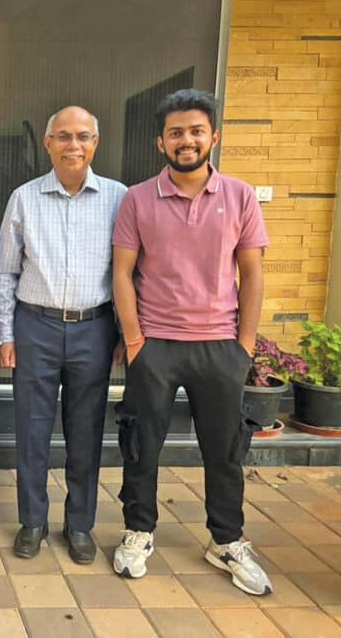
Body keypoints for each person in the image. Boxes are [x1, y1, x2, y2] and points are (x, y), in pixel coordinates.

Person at [111, 89, 271, 595]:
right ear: (161, 141)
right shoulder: (136, 198)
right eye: (176, 132)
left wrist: (244, 344)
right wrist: (135, 341)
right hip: (155, 344)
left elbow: (252, 271)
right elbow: (122, 273)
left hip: (220, 345)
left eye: (197, 130)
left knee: (224, 449)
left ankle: (226, 540)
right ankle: (138, 531)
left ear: (214, 137)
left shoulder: (240, 196)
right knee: (142, 446)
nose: (187, 140)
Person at [0, 106, 126, 563]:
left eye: (83, 136)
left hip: (94, 327)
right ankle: (32, 521)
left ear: (96, 143)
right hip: (36, 326)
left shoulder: (118, 197)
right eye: (64, 136)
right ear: (47, 143)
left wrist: (125, 334)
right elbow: (5, 271)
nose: (74, 145)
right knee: (31, 429)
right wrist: (6, 333)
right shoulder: (25, 198)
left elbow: (131, 273)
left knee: (86, 431)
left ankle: (80, 524)